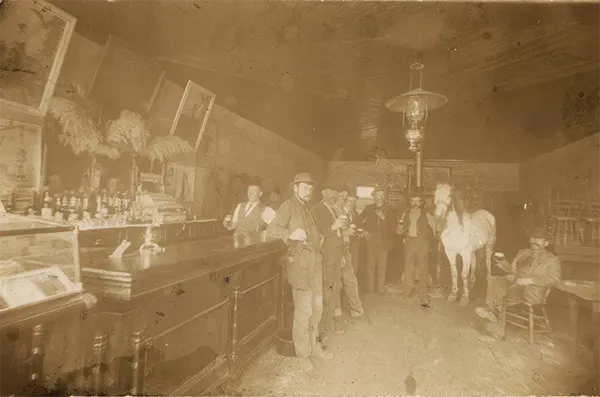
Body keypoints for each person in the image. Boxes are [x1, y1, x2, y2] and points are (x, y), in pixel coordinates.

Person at [266, 173, 332, 371]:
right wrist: (290, 234)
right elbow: (272, 229)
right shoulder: (288, 206)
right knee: (304, 311)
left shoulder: (308, 209)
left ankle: (314, 347)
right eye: (304, 187)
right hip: (301, 266)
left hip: (315, 265)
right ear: (295, 188)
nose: (308, 190)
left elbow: (313, 234)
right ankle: (303, 354)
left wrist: (319, 238)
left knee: (317, 308)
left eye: (310, 188)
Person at [475, 226, 561, 337]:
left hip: (531, 290)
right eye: (532, 238)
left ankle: (494, 326)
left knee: (502, 295)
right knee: (496, 280)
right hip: (514, 284)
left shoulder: (552, 260)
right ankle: (493, 311)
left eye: (539, 239)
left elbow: (555, 280)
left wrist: (530, 280)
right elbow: (513, 271)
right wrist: (501, 263)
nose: (534, 241)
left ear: (546, 243)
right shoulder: (523, 253)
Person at [312, 183, 348, 338]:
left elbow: (340, 232)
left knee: (336, 287)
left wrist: (343, 255)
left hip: (337, 253)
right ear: (322, 191)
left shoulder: (335, 208)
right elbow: (318, 235)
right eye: (330, 190)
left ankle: (332, 320)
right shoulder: (316, 210)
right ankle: (323, 324)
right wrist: (334, 226)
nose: (333, 193)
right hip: (326, 255)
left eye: (334, 190)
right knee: (325, 288)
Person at [357, 186, 398, 294]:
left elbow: (394, 226)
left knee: (382, 266)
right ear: (374, 196)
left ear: (385, 197)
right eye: (378, 195)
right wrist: (363, 231)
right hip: (371, 240)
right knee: (370, 265)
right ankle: (370, 289)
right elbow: (358, 220)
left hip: (384, 240)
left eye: (382, 195)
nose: (380, 197)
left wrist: (383, 217)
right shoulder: (368, 208)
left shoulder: (390, 209)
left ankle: (380, 289)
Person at [398, 191, 436, 307]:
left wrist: (428, 243)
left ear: (421, 202)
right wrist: (402, 231)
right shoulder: (406, 213)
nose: (415, 203)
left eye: (417, 200)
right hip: (409, 242)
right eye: (413, 200)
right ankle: (407, 291)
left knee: (423, 269)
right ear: (410, 202)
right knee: (408, 267)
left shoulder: (428, 214)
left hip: (422, 244)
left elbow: (434, 231)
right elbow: (399, 229)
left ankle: (423, 295)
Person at [332, 188, 364, 318]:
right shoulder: (332, 211)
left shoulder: (339, 211)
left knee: (347, 280)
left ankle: (352, 308)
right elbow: (332, 234)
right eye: (342, 197)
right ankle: (341, 309)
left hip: (344, 248)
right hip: (338, 250)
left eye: (345, 197)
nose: (344, 200)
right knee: (342, 280)